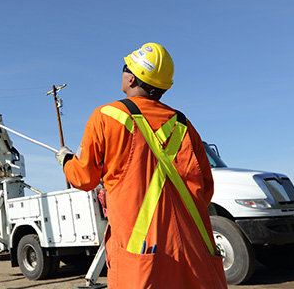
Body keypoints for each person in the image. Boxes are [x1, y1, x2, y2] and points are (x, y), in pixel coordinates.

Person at [56, 43, 227, 288]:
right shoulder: (184, 125)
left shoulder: (106, 116)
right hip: (195, 252)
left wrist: (66, 160)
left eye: (126, 68)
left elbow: (84, 178)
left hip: (143, 254)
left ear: (133, 79)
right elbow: (205, 189)